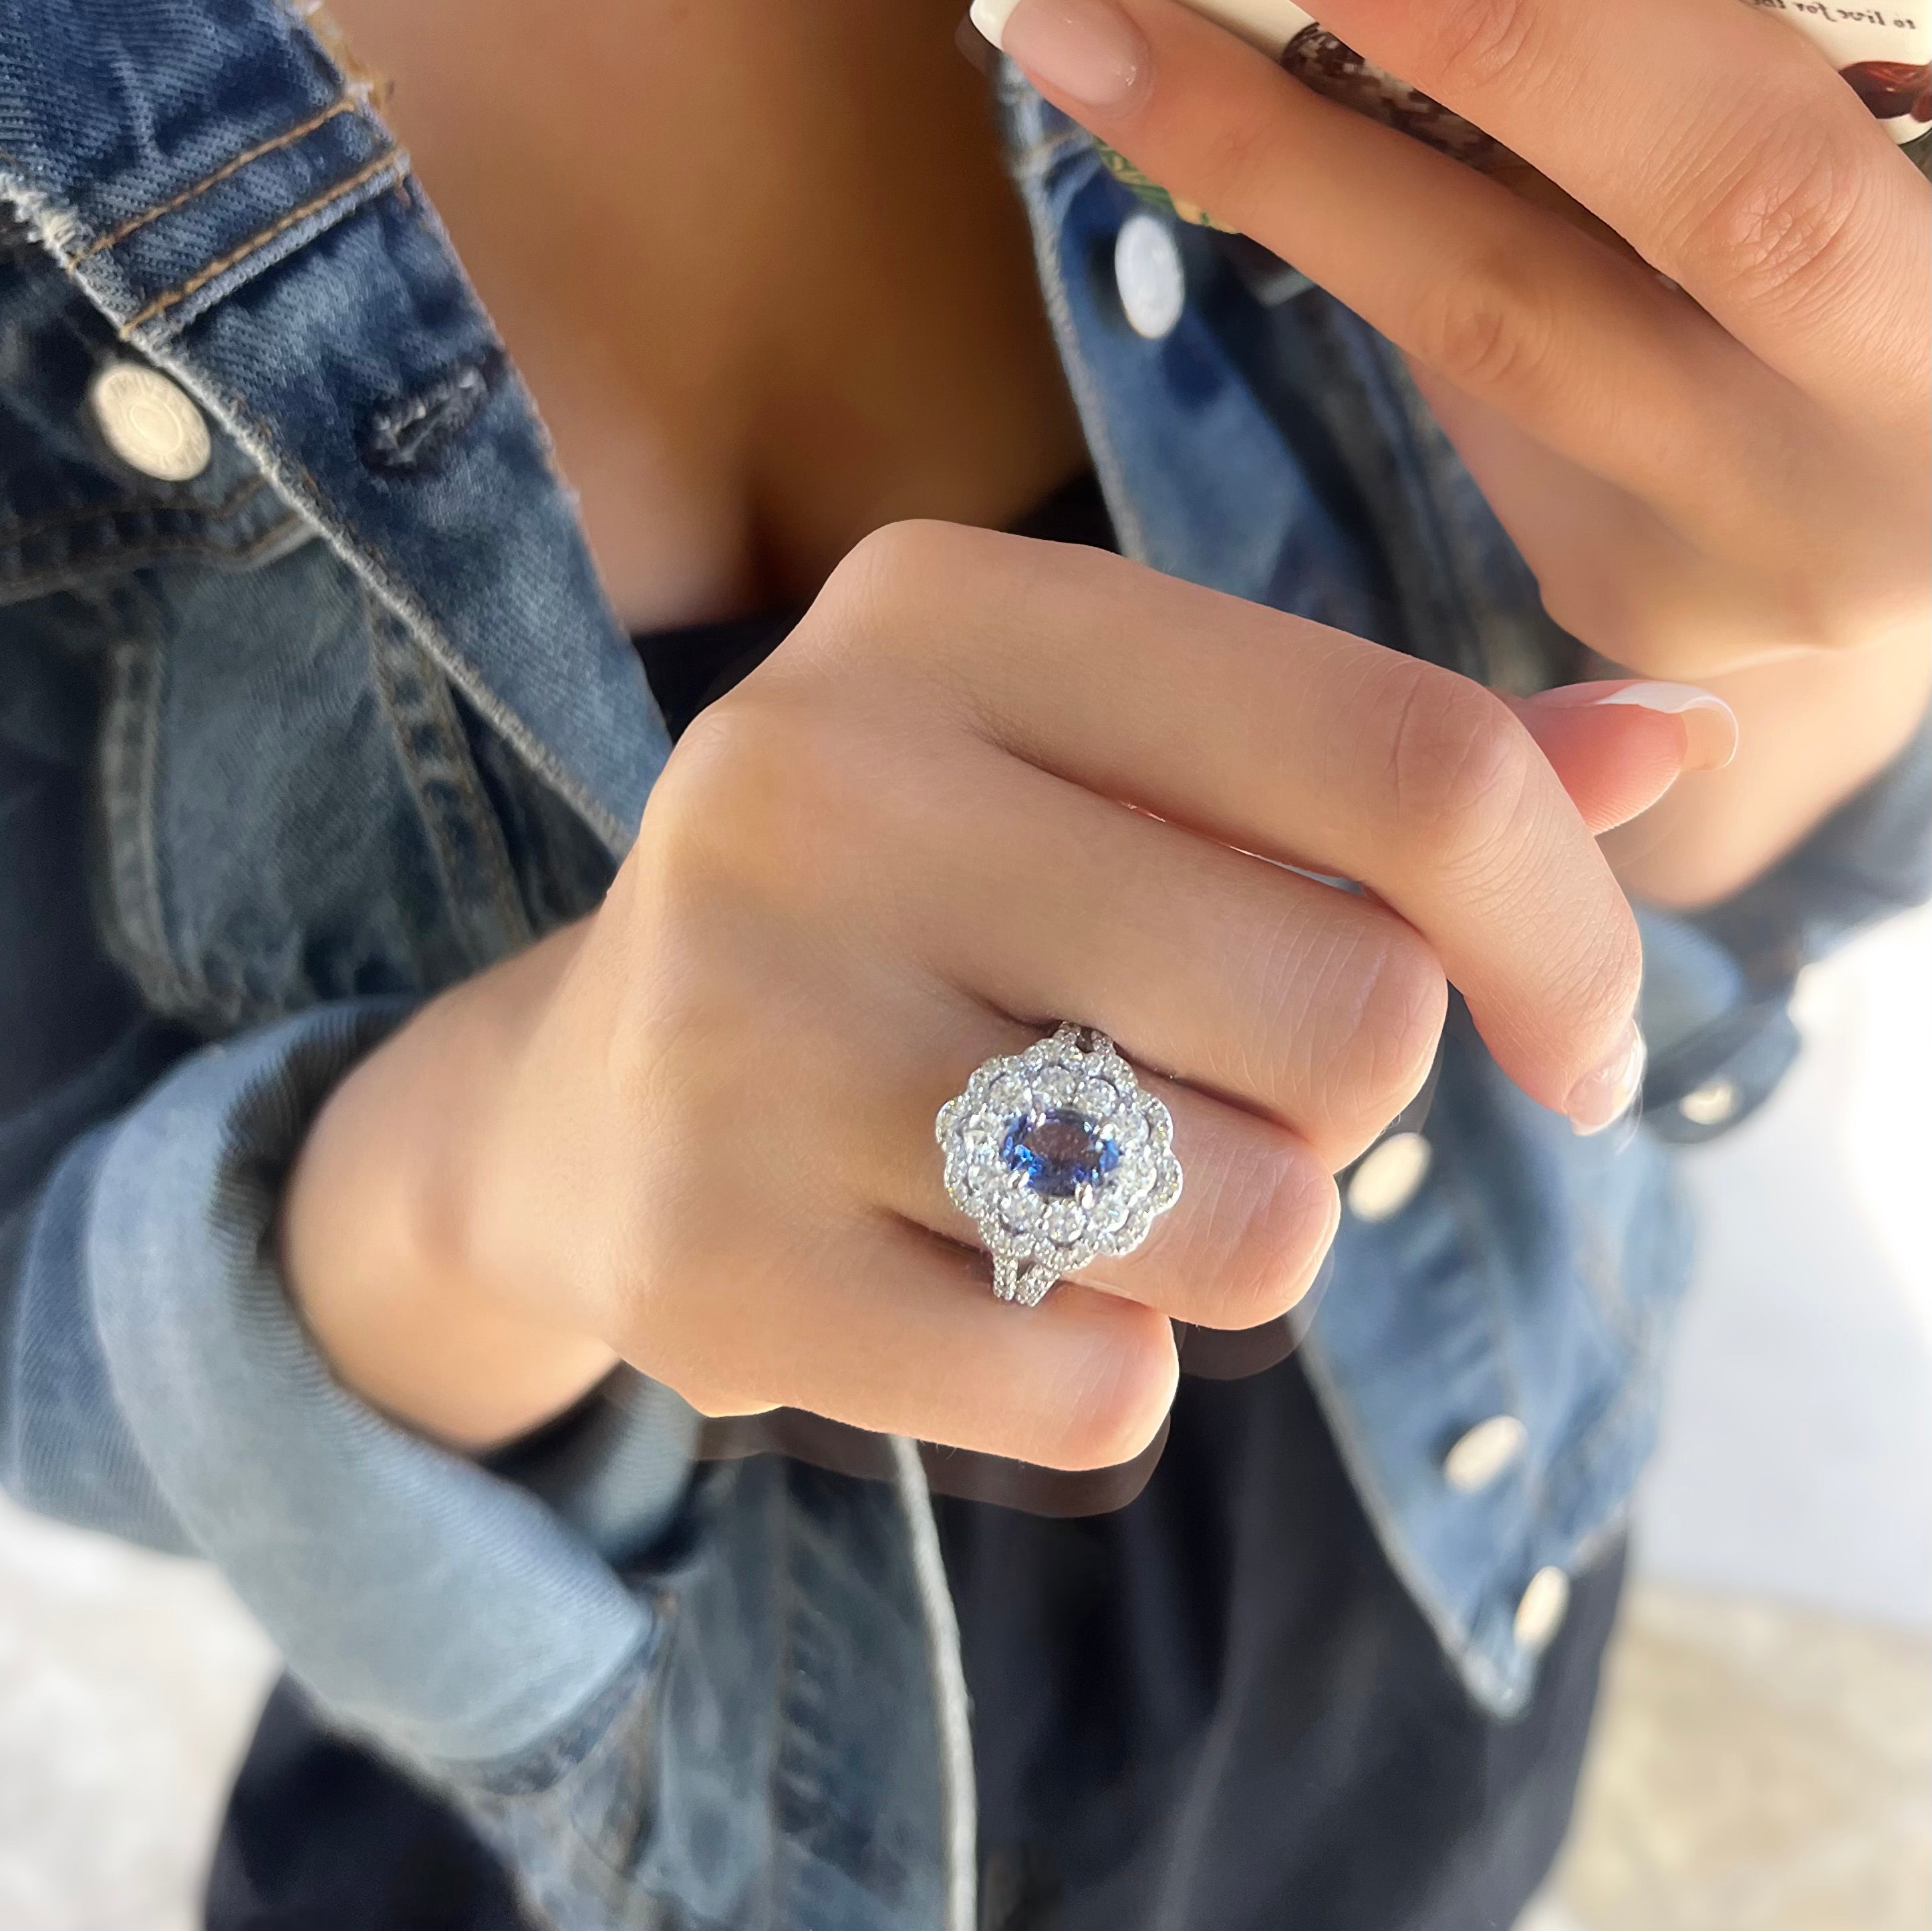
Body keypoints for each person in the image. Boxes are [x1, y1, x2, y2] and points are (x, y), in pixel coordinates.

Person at [1, 1, 1927, 1926]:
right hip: (571, 1845)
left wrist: (1844, 584)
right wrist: (494, 1173)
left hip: (1424, 1692)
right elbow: (49, 1332)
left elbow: (1642, 952)